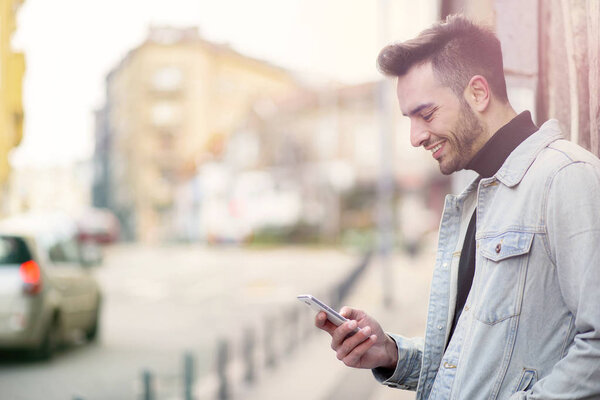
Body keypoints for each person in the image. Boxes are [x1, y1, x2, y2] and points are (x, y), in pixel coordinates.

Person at [314, 14, 600, 399]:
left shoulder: (566, 177)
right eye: (409, 119)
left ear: (478, 93)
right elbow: (471, 360)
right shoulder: (478, 199)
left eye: (426, 114)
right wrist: (390, 353)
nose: (415, 137)